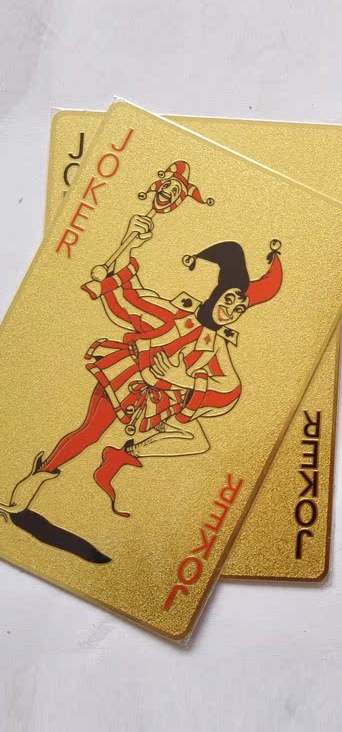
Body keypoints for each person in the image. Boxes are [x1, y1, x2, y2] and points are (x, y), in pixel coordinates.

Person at [0, 214, 282, 558]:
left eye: (239, 308)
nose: (231, 310)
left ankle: (124, 454)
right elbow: (130, 297)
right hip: (126, 379)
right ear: (217, 293)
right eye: (229, 300)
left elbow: (230, 389)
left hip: (159, 401)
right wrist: (131, 243)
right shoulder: (175, 316)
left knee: (195, 438)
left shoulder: (215, 345)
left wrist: (183, 379)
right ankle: (29, 488)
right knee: (90, 432)